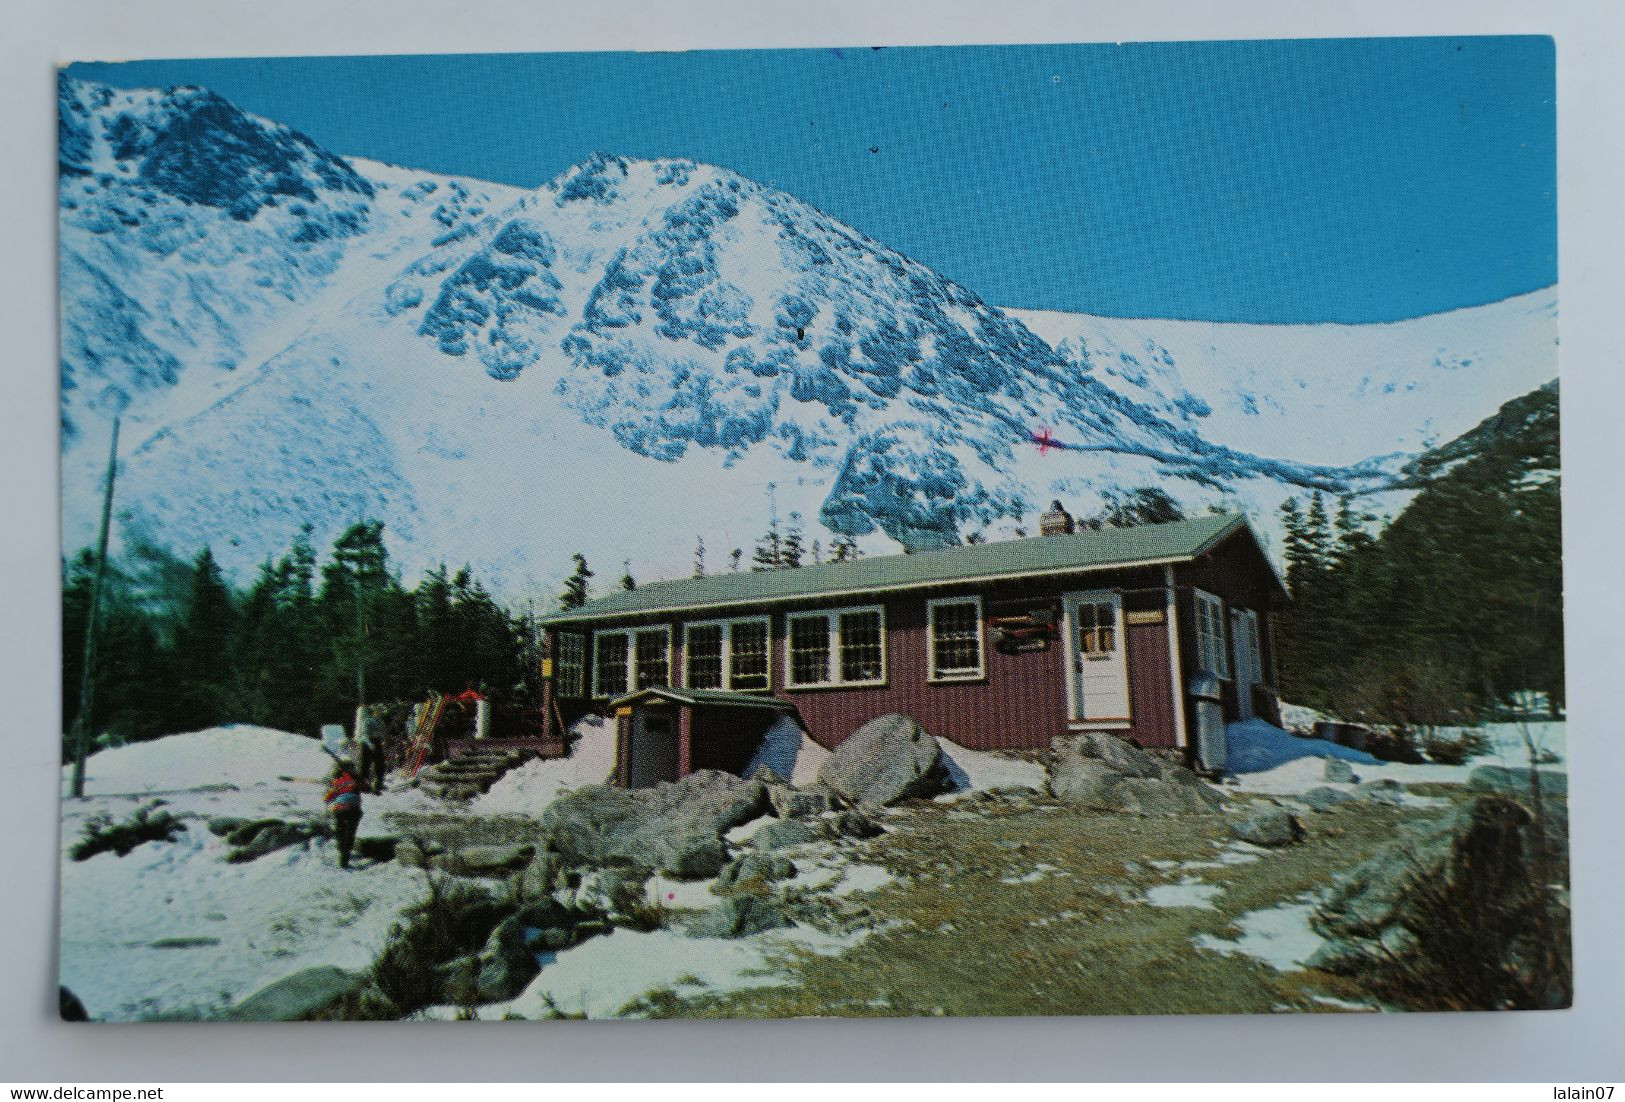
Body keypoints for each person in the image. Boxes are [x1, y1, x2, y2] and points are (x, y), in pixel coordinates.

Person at [324, 759, 363, 870]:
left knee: (340, 829)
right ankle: (346, 854)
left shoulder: (337, 782)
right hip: (354, 809)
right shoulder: (356, 779)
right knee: (350, 832)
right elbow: (367, 788)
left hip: (339, 808)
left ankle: (341, 848)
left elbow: (327, 798)